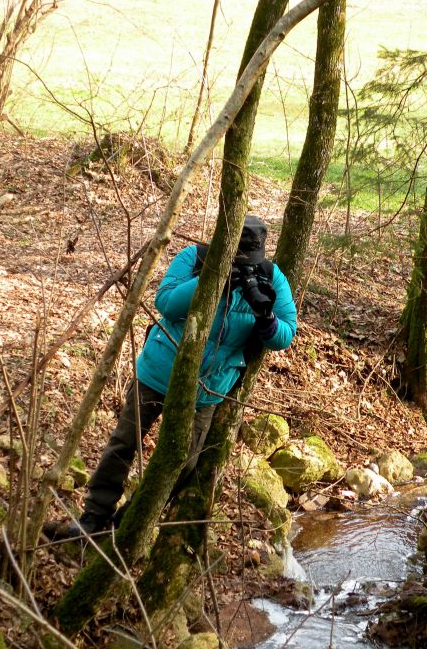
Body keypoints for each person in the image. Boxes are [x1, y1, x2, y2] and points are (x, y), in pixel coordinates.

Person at [44, 216, 297, 541]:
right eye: (237, 260)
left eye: (247, 261)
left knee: (183, 465)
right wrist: (213, 280)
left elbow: (285, 334)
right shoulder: (195, 258)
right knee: (124, 443)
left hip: (208, 389)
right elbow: (165, 303)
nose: (243, 266)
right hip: (160, 372)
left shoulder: (271, 276)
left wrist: (266, 316)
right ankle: (93, 517)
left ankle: (127, 522)